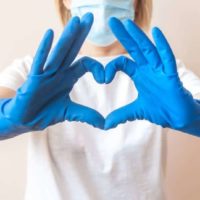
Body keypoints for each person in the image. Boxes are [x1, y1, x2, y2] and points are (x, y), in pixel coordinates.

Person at [0, 0, 200, 200]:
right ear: (66, 1)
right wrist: (9, 118)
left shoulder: (164, 76)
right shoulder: (34, 73)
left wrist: (195, 118)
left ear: (137, 2)